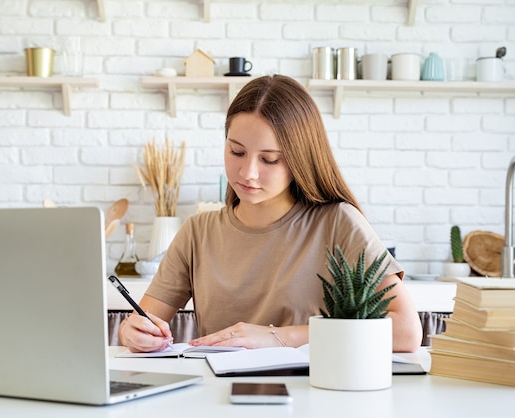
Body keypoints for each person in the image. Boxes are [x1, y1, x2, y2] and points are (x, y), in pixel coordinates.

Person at [119, 74, 422, 354]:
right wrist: (133, 332)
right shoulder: (198, 232)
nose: (248, 172)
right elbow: (143, 322)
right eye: (236, 152)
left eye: (270, 159)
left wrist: (278, 337)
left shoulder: (338, 223)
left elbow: (407, 332)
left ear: (301, 159)